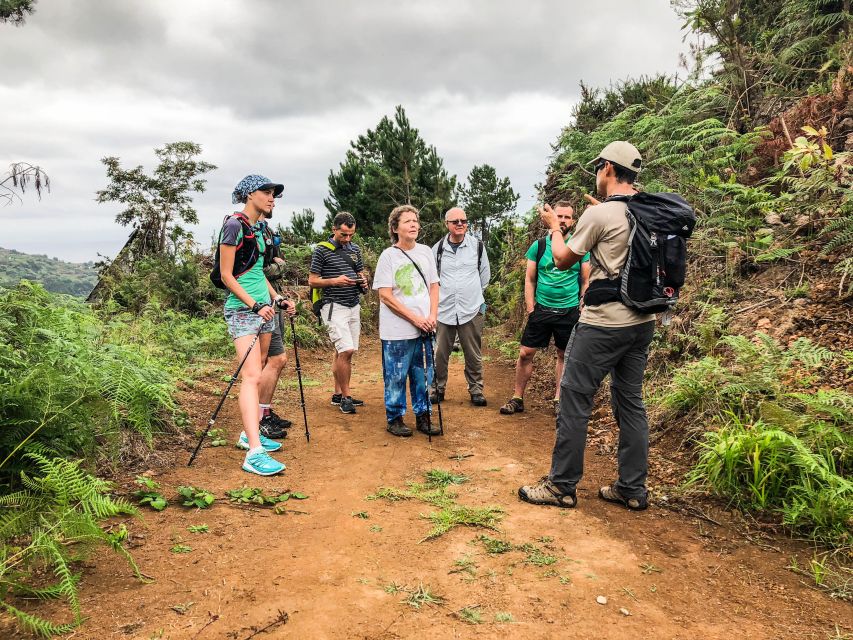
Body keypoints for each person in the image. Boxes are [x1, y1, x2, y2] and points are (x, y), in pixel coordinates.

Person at [518, 141, 655, 511]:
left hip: (603, 324)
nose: (597, 174)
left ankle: (561, 485)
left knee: (575, 399)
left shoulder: (600, 216)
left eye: (598, 168)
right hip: (643, 322)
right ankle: (632, 488)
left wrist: (554, 228)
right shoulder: (647, 210)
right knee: (630, 402)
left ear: (608, 168)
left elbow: (562, 260)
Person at [218, 174, 296, 476]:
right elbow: (227, 275)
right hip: (243, 310)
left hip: (264, 310)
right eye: (266, 192)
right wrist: (254, 304)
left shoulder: (258, 229)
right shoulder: (234, 226)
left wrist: (276, 299)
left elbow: (256, 272)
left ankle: (246, 433)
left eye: (274, 193)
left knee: (263, 364)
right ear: (250, 195)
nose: (271, 197)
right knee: (250, 376)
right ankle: (254, 452)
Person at [499, 202, 590, 416]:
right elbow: (530, 279)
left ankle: (559, 399)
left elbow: (586, 280)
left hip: (569, 310)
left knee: (563, 354)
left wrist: (582, 304)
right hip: (541, 308)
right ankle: (517, 397)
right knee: (525, 353)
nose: (563, 220)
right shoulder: (538, 246)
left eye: (568, 217)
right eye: (559, 216)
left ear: (573, 221)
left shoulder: (578, 247)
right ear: (550, 217)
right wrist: (531, 307)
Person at [373, 205, 440, 437]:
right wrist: (415, 319)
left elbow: (434, 286)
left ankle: (424, 415)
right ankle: (395, 417)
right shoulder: (388, 256)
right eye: (407, 221)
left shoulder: (426, 252)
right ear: (395, 228)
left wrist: (432, 316)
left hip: (425, 327)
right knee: (396, 375)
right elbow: (385, 295)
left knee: (423, 374)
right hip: (397, 330)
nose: (413, 225)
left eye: (415, 221)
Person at [308, 212, 368, 415]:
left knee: (342, 350)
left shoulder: (355, 249)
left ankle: (337, 393)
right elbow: (313, 280)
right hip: (334, 305)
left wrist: (363, 282)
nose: (347, 239)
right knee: (346, 351)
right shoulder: (321, 250)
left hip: (353, 304)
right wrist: (335, 280)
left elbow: (359, 272)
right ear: (334, 229)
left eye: (351, 234)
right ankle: (346, 397)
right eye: (343, 234)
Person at [430, 207, 491, 406]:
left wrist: (474, 298)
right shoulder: (437, 249)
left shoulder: (477, 247)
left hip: (471, 309)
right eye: (455, 221)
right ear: (446, 224)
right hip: (444, 309)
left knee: (473, 353)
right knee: (439, 353)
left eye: (463, 221)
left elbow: (484, 277)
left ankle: (476, 390)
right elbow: (432, 280)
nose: (460, 224)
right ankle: (437, 389)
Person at [255, 210, 292, 439]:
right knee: (267, 360)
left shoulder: (265, 229)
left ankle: (264, 412)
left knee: (276, 359)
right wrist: (280, 266)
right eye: (267, 194)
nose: (272, 200)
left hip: (272, 298)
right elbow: (258, 270)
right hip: (258, 302)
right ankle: (258, 418)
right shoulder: (245, 229)